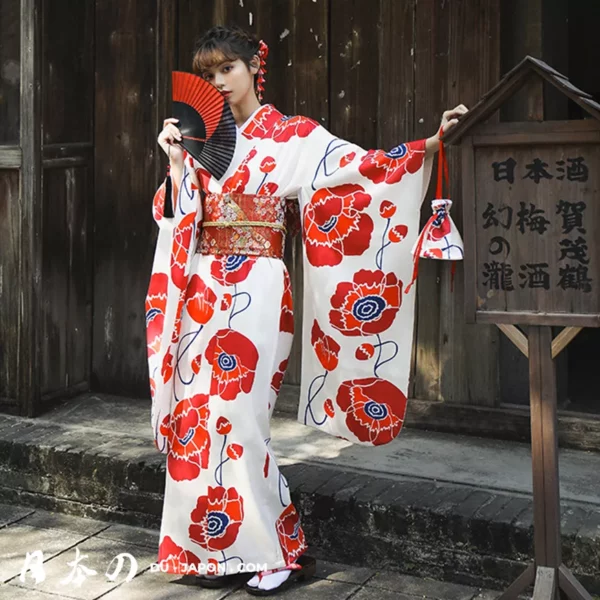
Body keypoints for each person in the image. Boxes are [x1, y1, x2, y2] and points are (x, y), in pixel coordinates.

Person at [147, 24, 467, 596]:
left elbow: (361, 169)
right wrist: (175, 163)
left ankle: (279, 551)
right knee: (197, 416)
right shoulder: (199, 137)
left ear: (253, 68)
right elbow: (175, 217)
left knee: (242, 420)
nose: (218, 82)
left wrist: (432, 145)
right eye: (208, 74)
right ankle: (210, 552)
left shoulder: (293, 136)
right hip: (201, 288)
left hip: (260, 286)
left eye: (228, 69)